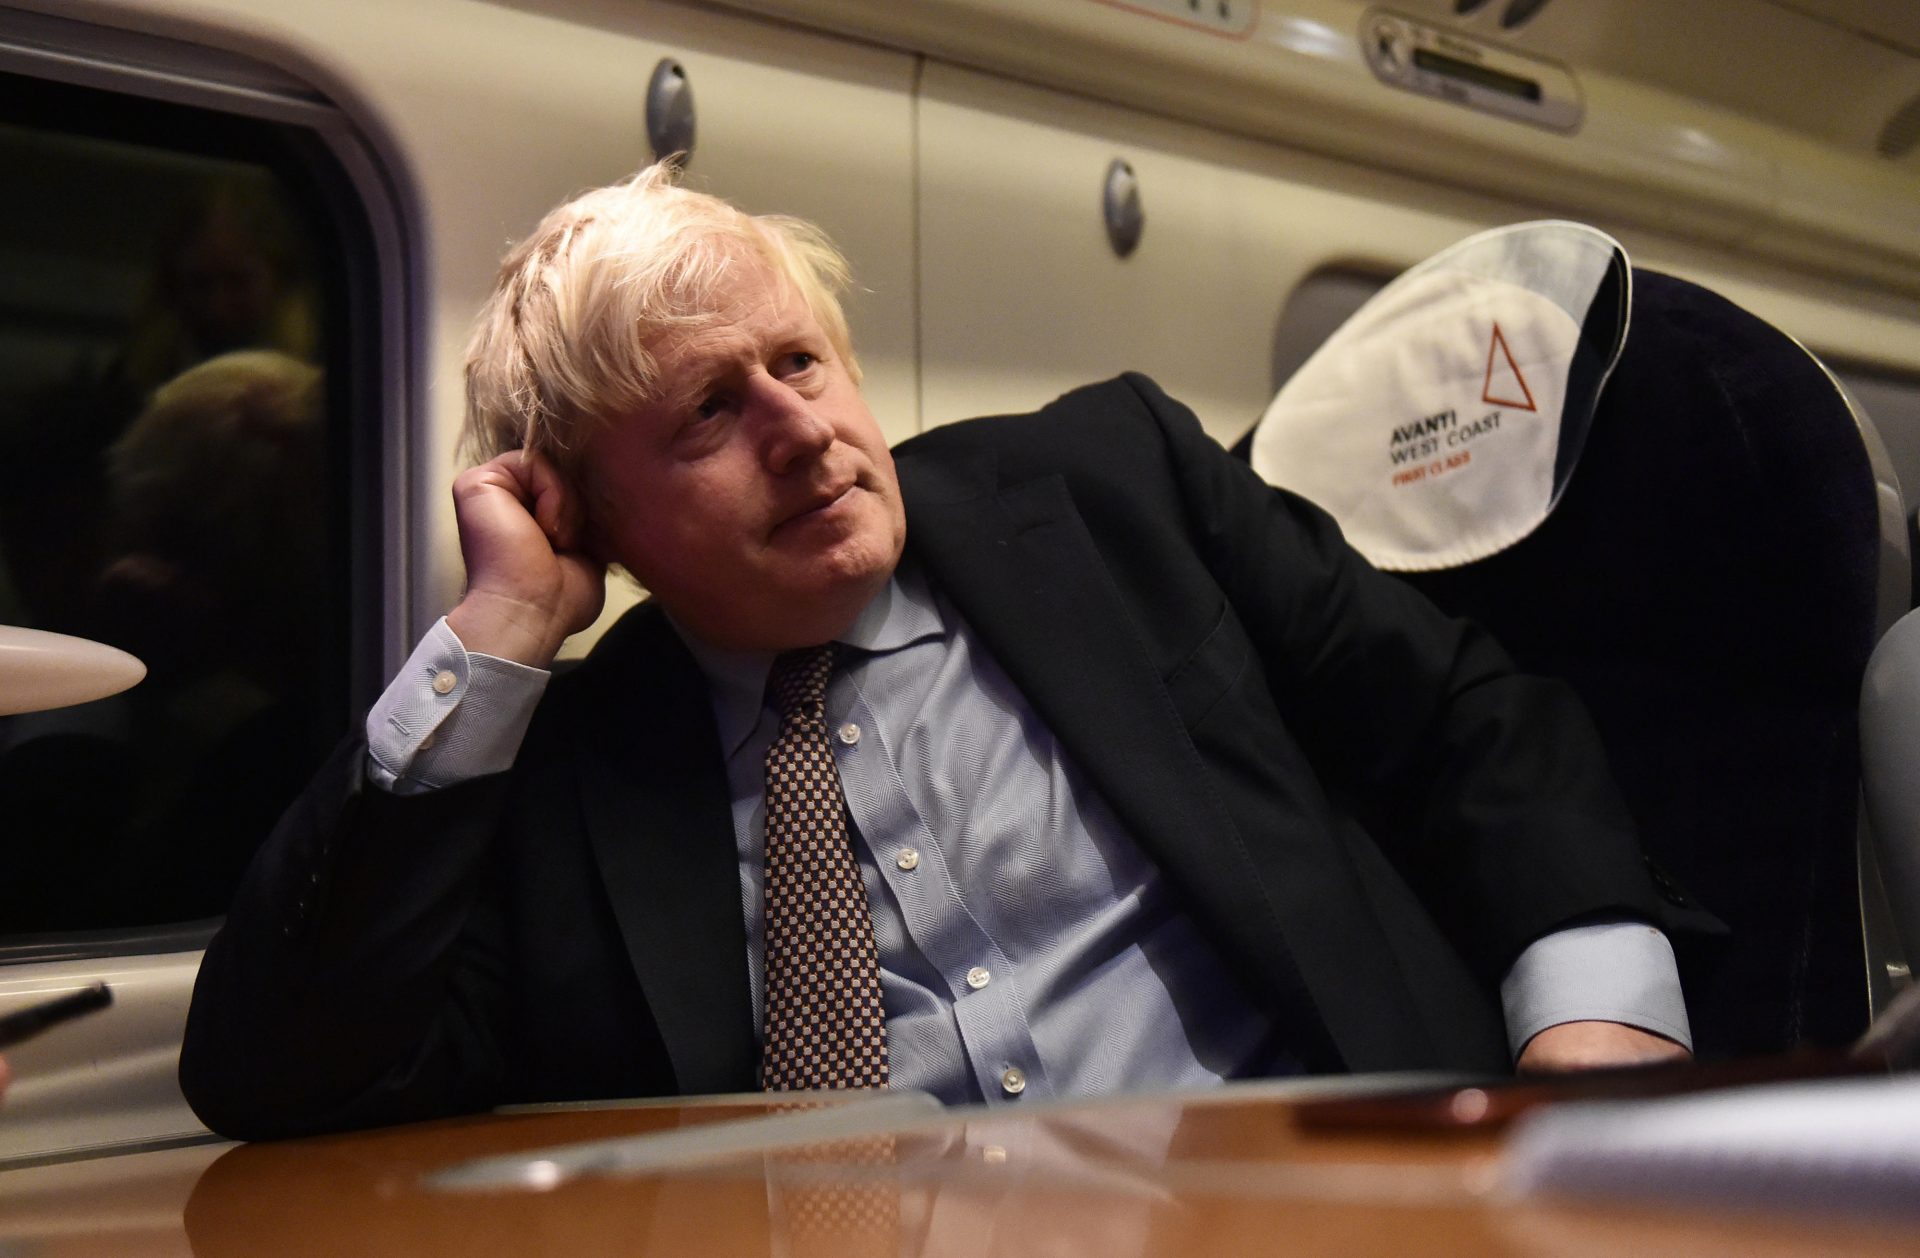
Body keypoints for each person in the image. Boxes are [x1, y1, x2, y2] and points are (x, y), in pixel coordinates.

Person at [181, 165, 1707, 1141]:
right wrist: (499, 625)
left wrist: (1595, 1038)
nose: (801, 427)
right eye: (709, 411)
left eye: (802, 361)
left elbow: (1470, 727)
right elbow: (276, 1074)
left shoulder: (1112, 497)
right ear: (584, 503)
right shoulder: (571, 766)